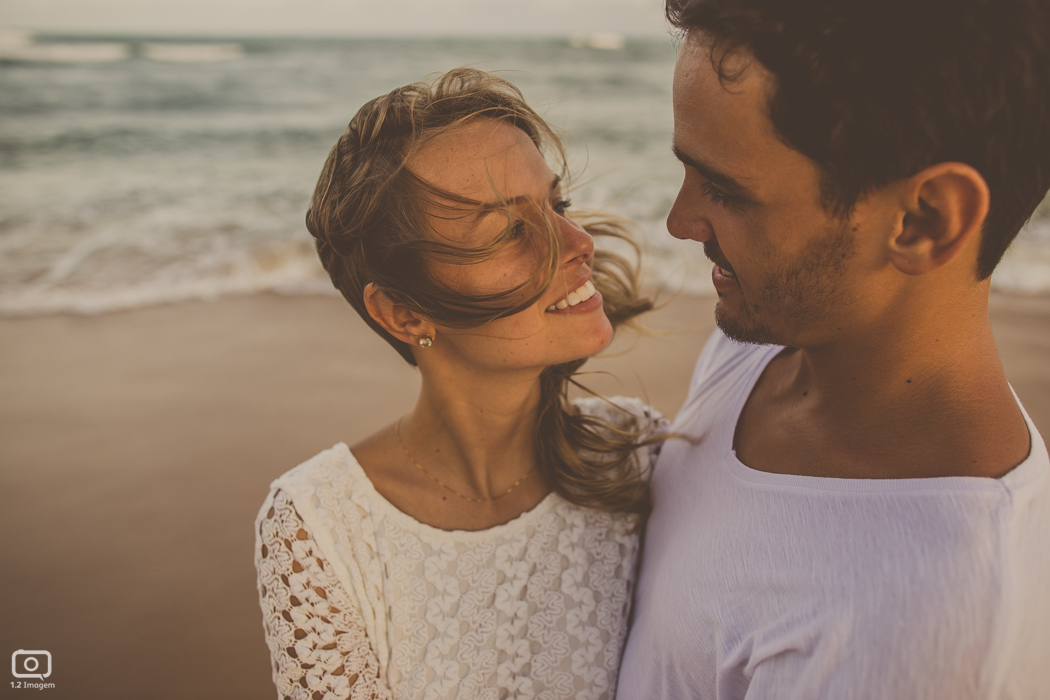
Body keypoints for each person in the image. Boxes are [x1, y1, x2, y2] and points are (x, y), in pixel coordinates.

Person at [618, 0, 1050, 698]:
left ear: (924, 219)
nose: (678, 221)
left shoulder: (923, 634)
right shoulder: (769, 343)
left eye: (725, 190)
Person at [253, 69, 666, 700]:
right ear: (404, 313)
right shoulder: (321, 529)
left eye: (557, 206)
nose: (579, 243)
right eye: (509, 231)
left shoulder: (637, 456)